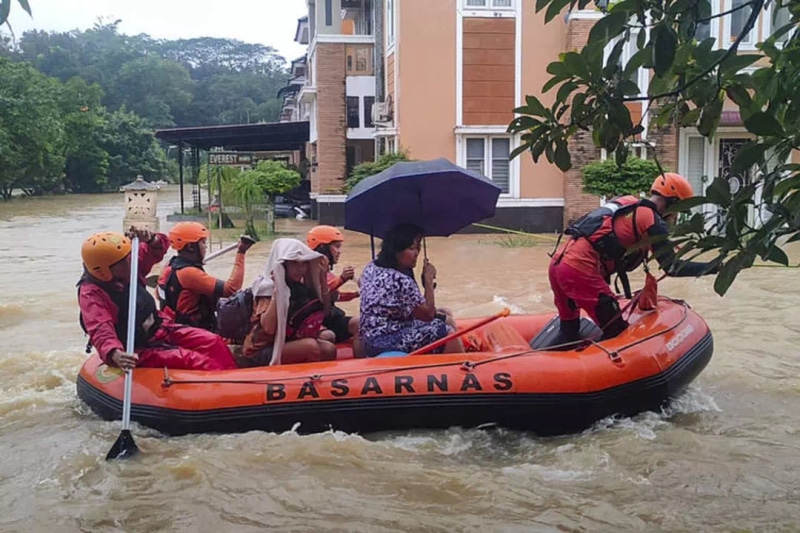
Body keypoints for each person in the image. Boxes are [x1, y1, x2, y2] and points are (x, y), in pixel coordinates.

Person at [548, 172, 719, 342]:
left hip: (557, 264)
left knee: (569, 329)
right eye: (678, 210)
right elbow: (672, 267)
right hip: (579, 271)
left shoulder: (630, 204)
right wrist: (715, 267)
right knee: (616, 333)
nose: (676, 217)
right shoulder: (652, 221)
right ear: (672, 203)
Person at [78, 229, 237, 371]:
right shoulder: (91, 294)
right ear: (104, 271)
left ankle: (233, 378)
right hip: (136, 348)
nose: (130, 260)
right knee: (193, 360)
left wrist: (150, 239)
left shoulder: (128, 267)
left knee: (213, 341)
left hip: (161, 328)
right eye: (123, 260)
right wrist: (114, 353)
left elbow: (157, 248)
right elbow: (100, 328)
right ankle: (221, 389)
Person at [358, 223, 462, 357]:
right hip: (385, 340)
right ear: (396, 251)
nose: (416, 253)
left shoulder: (371, 266)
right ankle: (462, 368)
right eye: (412, 248)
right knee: (446, 332)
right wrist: (428, 281)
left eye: (418, 247)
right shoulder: (401, 280)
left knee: (444, 314)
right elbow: (428, 315)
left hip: (370, 336)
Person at [239, 238, 337, 367]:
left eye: (303, 264)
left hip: (288, 341)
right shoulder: (266, 288)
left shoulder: (300, 286)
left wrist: (323, 281)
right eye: (294, 264)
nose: (300, 269)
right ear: (283, 265)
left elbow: (325, 312)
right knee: (310, 346)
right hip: (261, 351)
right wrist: (278, 290)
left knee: (329, 348)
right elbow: (268, 328)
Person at [157, 221, 254, 331]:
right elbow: (231, 289)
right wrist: (241, 252)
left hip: (176, 325)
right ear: (190, 247)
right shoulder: (188, 273)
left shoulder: (169, 266)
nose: (206, 247)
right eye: (203, 242)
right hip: (191, 330)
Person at [306, 225, 360, 344]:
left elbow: (336, 296)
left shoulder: (327, 272)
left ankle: (362, 361)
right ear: (322, 247)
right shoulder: (307, 269)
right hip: (314, 320)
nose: (339, 252)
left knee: (359, 323)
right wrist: (342, 279)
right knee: (328, 336)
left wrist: (357, 294)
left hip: (329, 318)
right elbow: (320, 290)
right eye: (336, 247)